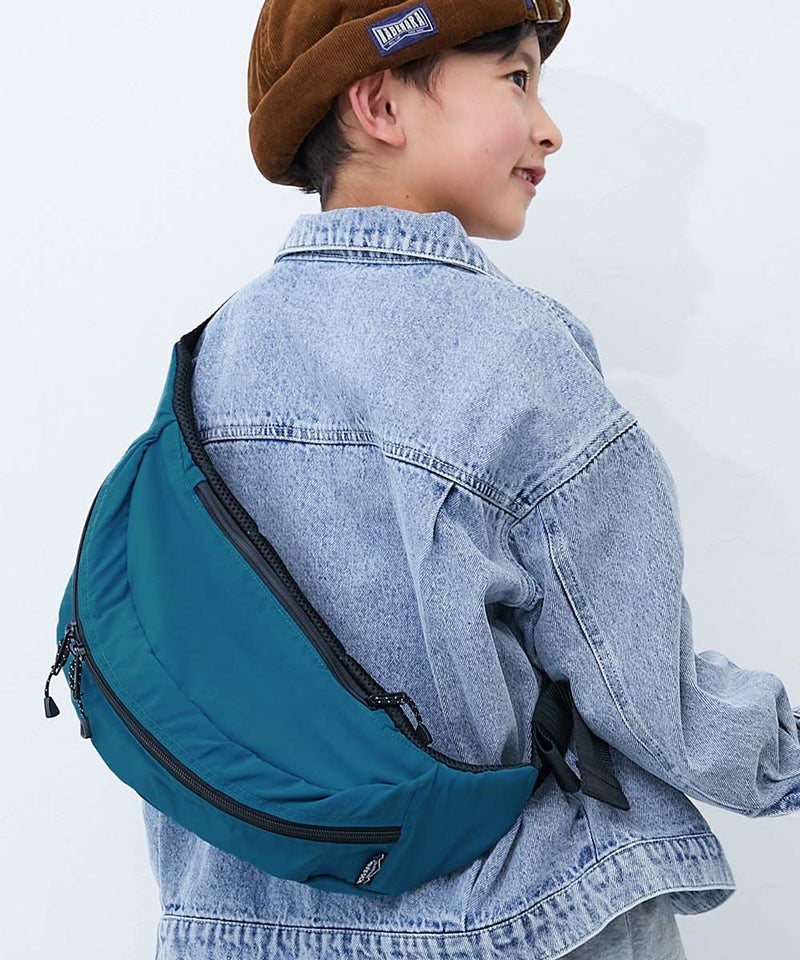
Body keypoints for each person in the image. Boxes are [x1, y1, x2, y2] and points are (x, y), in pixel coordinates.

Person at [141, 2, 800, 958]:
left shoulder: (210, 360)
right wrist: (781, 756)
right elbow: (642, 688)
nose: (549, 128)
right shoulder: (517, 352)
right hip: (518, 920)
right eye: (516, 79)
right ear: (379, 104)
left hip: (239, 923)